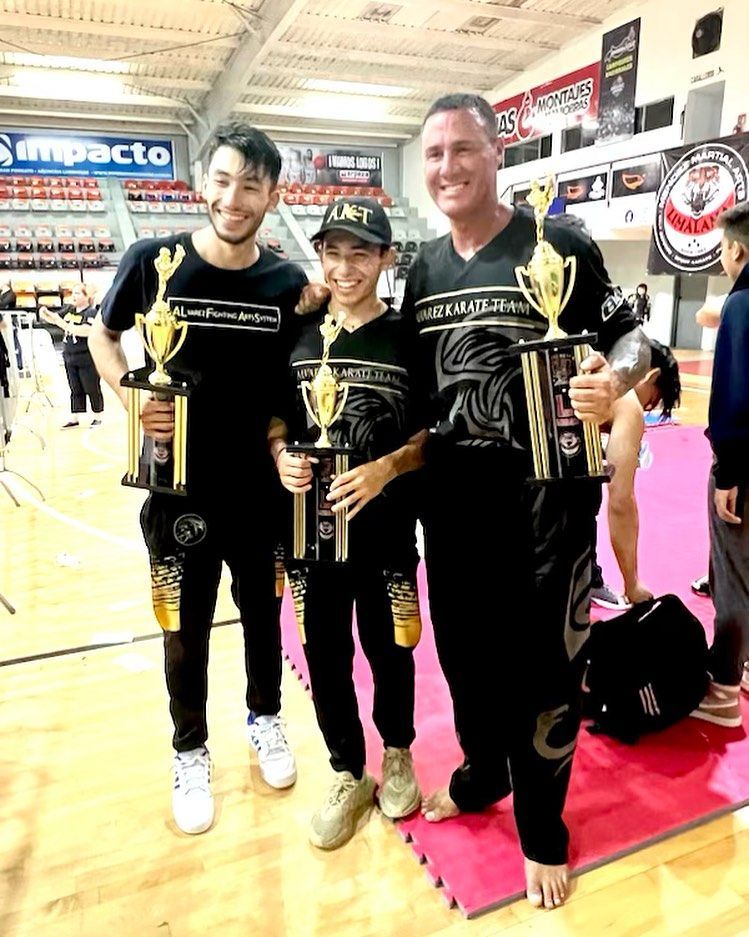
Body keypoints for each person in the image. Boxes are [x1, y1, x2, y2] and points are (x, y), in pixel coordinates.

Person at [403, 94, 650, 910]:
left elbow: (632, 336)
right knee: (464, 658)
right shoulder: (423, 268)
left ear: (495, 152)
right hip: (451, 508)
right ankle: (481, 771)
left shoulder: (560, 244)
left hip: (547, 507)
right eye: (433, 152)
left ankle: (543, 822)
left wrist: (609, 380)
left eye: (462, 148)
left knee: (548, 665)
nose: (446, 166)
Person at [90, 121, 308, 835]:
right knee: (181, 629)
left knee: (261, 619)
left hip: (259, 492)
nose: (234, 196)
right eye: (223, 179)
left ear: (272, 196)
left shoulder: (284, 283)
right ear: (201, 183)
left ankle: (265, 718)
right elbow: (103, 333)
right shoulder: (154, 261)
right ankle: (190, 749)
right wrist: (131, 402)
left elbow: (298, 376)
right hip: (176, 491)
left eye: (251, 184)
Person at [270, 197, 426, 849]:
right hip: (311, 536)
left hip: (387, 530)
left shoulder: (407, 336)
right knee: (325, 656)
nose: (343, 266)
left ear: (386, 258)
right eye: (332, 251)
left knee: (392, 649)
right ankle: (345, 769)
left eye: (359, 252)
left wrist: (387, 468)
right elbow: (276, 418)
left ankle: (396, 751)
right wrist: (279, 457)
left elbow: (435, 433)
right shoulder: (298, 332)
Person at [691, 202, 749, 727]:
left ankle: (725, 685)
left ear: (736, 250)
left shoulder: (742, 304)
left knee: (732, 572)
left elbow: (734, 395)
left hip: (745, 468)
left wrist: (728, 473)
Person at [590, 339, 682, 609]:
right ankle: (587, 576)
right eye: (651, 402)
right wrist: (632, 584)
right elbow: (620, 501)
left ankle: (587, 571)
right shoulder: (628, 403)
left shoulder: (595, 363)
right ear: (651, 376)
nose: (647, 410)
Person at [39, 283, 103, 428]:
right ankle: (75, 417)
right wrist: (45, 313)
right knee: (75, 388)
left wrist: (63, 324)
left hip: (86, 356)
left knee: (91, 387)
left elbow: (86, 331)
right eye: (73, 293)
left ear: (87, 297)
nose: (74, 296)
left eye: (78, 293)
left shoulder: (91, 313)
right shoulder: (69, 309)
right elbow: (56, 319)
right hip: (69, 355)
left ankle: (98, 415)